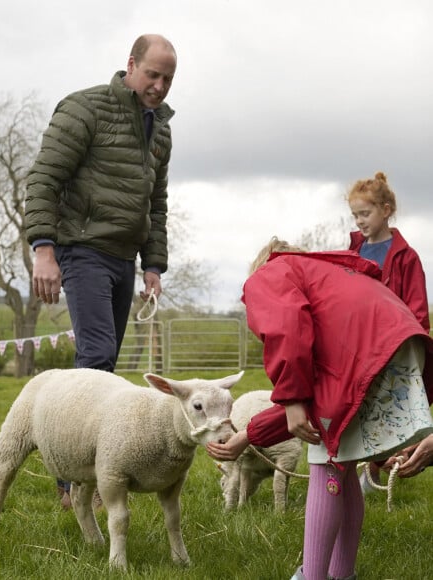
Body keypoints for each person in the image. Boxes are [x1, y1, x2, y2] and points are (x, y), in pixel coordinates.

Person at [206, 238, 433, 580]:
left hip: (370, 354)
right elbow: (320, 403)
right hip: (400, 348)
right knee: (343, 464)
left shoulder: (272, 273)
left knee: (326, 461)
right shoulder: (333, 282)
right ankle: (342, 575)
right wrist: (249, 436)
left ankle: (313, 575)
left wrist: (294, 399)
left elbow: (286, 325)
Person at [25, 34, 177, 508]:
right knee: (96, 355)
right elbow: (44, 177)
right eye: (152, 74)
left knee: (105, 365)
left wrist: (153, 264)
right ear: (130, 65)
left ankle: (87, 473)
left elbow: (156, 203)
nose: (159, 85)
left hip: (123, 258)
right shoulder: (84, 109)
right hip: (80, 249)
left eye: (168, 78)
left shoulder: (162, 131)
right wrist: (43, 249)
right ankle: (75, 484)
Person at [347, 171, 430, 491]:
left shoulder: (406, 257)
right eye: (354, 215)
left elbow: (418, 308)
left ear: (386, 210)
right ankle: (361, 468)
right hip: (360, 343)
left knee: (388, 408)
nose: (359, 221)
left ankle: (384, 467)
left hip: (393, 344)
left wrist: (413, 346)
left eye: (365, 214)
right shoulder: (353, 250)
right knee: (359, 406)